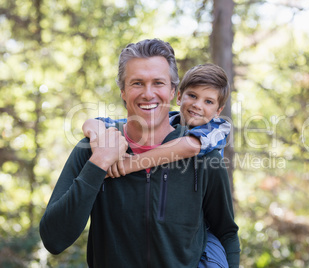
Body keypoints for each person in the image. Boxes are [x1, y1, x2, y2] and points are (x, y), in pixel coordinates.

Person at [40, 38, 240, 268]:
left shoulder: (205, 157)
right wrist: (98, 164)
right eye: (137, 83)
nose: (148, 93)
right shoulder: (93, 148)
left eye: (158, 83)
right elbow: (53, 240)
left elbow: (226, 233)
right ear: (123, 91)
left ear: (173, 90)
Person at [82, 63, 232, 268]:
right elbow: (99, 122)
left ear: (218, 110)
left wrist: (128, 165)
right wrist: (96, 134)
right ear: (179, 96)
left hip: (202, 231)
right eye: (193, 96)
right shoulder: (166, 120)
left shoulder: (216, 128)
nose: (198, 105)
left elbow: (189, 146)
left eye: (208, 101)